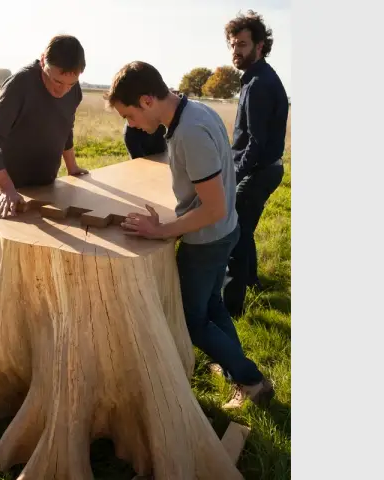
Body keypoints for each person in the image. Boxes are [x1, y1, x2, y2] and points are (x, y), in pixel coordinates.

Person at [104, 61, 274, 409]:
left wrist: (161, 231)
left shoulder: (190, 132)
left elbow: (213, 207)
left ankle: (251, 380)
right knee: (213, 306)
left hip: (207, 239)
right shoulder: (194, 110)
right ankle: (236, 371)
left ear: (147, 100)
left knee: (192, 321)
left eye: (129, 116)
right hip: (223, 233)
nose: (131, 125)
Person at [0, 34, 90, 219]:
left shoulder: (74, 91)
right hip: (13, 191)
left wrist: (72, 167)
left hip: (47, 185)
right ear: (43, 59)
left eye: (71, 84)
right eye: (57, 81)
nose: (62, 90)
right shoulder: (20, 84)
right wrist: (7, 189)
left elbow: (66, 126)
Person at [222, 11, 289, 317]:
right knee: (245, 230)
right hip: (264, 168)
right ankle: (252, 282)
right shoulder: (255, 78)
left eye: (243, 44)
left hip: (258, 171)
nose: (236, 51)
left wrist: (235, 176)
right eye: (233, 45)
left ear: (260, 45)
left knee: (235, 233)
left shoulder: (260, 83)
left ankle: (232, 309)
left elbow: (256, 143)